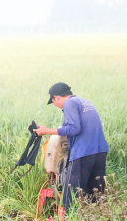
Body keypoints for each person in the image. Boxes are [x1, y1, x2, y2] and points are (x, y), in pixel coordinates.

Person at [34, 82, 109, 210]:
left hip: (83, 152)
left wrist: (47, 131)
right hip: (100, 151)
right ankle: (96, 220)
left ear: (56, 97)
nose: (56, 106)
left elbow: (74, 128)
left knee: (71, 194)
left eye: (54, 102)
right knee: (94, 191)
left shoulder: (69, 103)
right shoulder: (84, 102)